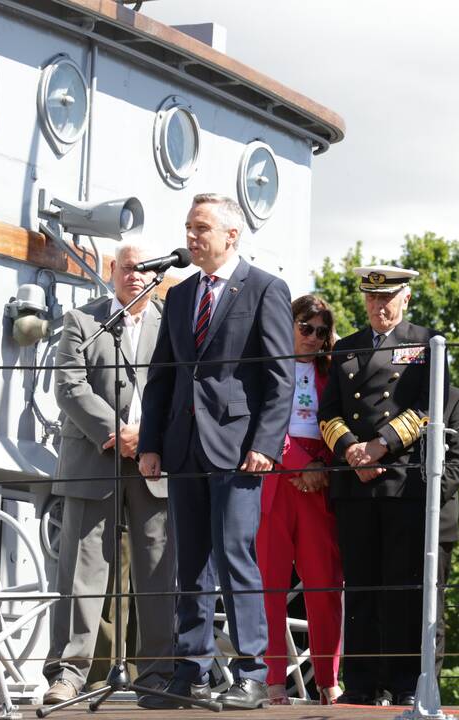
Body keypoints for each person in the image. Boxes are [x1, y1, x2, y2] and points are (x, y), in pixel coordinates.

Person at [137, 193, 295, 711]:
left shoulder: (266, 289)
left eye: (200, 228)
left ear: (232, 234)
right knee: (190, 564)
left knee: (235, 559)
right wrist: (153, 444)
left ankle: (251, 671)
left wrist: (266, 446)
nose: (190, 237)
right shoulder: (179, 295)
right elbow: (162, 376)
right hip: (183, 447)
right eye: (187, 227)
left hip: (239, 451)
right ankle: (191, 670)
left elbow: (280, 377)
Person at [42, 242, 174, 704]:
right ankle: (69, 672)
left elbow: (182, 384)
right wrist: (119, 432)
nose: (137, 276)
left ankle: (158, 674)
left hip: (153, 461)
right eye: (129, 268)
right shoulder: (82, 319)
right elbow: (68, 387)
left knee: (158, 568)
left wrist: (149, 437)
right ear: (112, 270)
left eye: (146, 269)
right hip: (93, 459)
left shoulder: (170, 322)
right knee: (81, 568)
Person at [317, 265, 443, 706]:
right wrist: (352, 449)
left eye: (387, 298)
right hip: (354, 483)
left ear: (405, 298)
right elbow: (327, 412)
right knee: (361, 586)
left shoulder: (427, 342)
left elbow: (429, 405)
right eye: (371, 299)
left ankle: (404, 681)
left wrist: (381, 446)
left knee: (401, 586)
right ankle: (362, 682)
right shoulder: (346, 348)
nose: (379, 306)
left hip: (399, 480)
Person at [256, 294, 343, 705]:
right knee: (269, 585)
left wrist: (319, 465)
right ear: (288, 325)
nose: (312, 338)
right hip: (273, 480)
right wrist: (297, 462)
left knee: (325, 587)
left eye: (321, 331)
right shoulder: (265, 365)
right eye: (305, 327)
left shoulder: (335, 370)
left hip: (317, 486)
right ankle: (273, 679)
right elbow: (258, 421)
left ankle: (328, 679)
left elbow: (342, 420)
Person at [435, 385, 459, 676]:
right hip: (393, 516)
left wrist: (419, 501)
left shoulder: (458, 400)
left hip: (438, 522)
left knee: (432, 611)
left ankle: (426, 685)